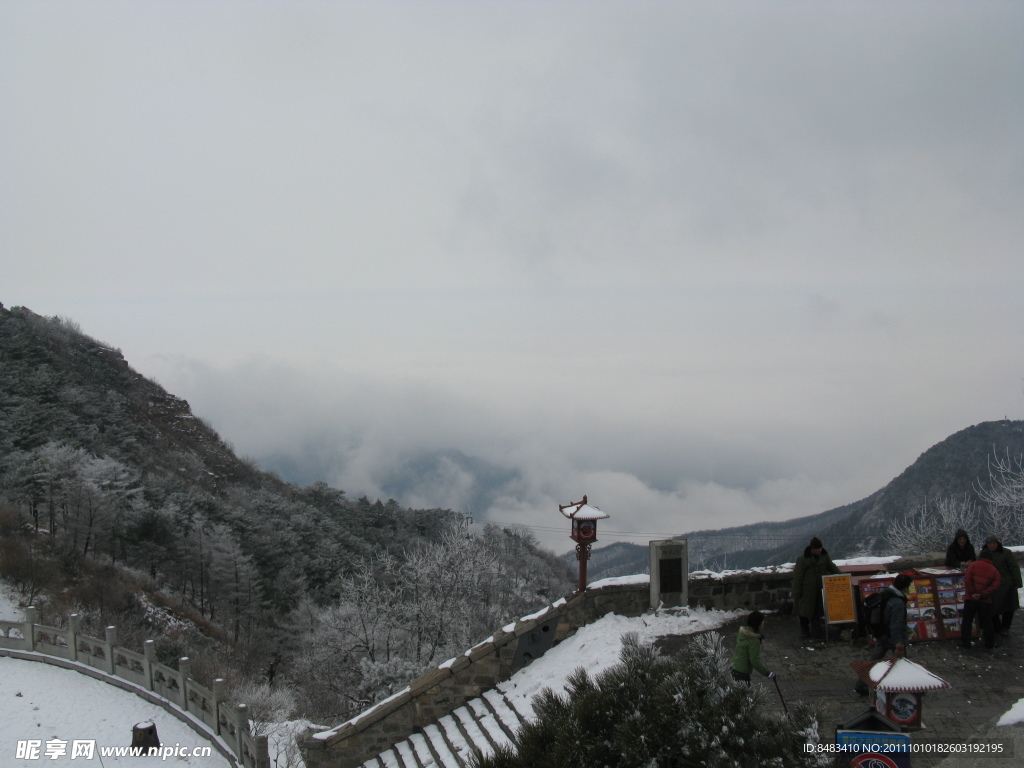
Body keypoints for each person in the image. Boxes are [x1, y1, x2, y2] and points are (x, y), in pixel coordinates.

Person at [855, 573, 911, 696]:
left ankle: (861, 683)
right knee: (903, 661)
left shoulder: (886, 593)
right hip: (891, 637)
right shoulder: (898, 603)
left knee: (875, 659)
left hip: (881, 633)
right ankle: (909, 686)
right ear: (906, 587)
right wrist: (899, 643)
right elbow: (896, 625)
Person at [792, 537, 841, 638]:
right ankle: (805, 630)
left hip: (820, 589)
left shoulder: (824, 557)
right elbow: (798, 576)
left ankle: (816, 631)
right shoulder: (802, 559)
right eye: (817, 548)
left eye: (820, 548)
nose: (819, 550)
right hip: (806, 590)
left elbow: (832, 567)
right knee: (804, 611)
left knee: (816, 610)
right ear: (812, 549)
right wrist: (797, 590)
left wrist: (843, 576)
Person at [961, 548, 1001, 650]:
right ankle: (989, 643)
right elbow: (995, 586)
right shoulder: (994, 570)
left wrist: (973, 593)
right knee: (987, 622)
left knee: (967, 621)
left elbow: (967, 580)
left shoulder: (973, 565)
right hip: (985, 600)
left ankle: (966, 642)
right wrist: (982, 594)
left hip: (970, 598)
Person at [985, 535, 1022, 635]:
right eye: (990, 544)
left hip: (1007, 584)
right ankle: (997, 627)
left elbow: (1013, 567)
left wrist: (1017, 582)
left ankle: (1006, 627)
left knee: (1009, 607)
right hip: (992, 585)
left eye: (994, 543)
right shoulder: (985, 554)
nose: (992, 545)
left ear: (998, 544)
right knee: (993, 608)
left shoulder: (1006, 553)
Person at [730, 610, 776, 686]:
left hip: (734, 668)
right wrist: (768, 673)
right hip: (742, 673)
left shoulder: (743, 633)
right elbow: (754, 661)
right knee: (745, 696)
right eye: (762, 621)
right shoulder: (754, 641)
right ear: (757, 623)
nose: (763, 623)